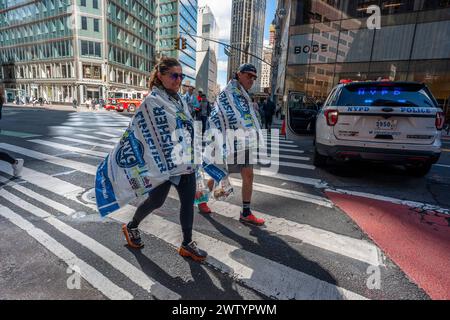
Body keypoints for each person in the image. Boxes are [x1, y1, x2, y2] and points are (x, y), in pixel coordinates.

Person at [121, 57, 207, 262]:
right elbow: (139, 130)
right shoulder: (152, 101)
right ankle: (131, 226)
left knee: (187, 202)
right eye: (174, 75)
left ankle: (187, 244)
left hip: (184, 161)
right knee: (156, 201)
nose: (178, 80)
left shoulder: (180, 99)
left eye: (181, 76)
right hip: (162, 163)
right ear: (160, 76)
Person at [197, 63, 265, 226]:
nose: (251, 79)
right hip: (227, 140)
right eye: (248, 76)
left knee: (248, 174)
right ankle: (201, 199)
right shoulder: (227, 93)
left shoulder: (245, 95)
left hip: (244, 141)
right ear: (238, 74)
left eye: (254, 77)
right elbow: (218, 115)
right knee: (217, 171)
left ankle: (246, 213)